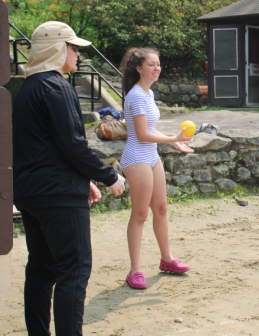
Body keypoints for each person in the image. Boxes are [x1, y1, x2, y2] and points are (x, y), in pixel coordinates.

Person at [12, 21, 126, 335]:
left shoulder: (26, 90)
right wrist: (107, 176)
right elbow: (72, 144)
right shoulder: (56, 86)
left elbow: (42, 146)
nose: (77, 53)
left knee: (41, 269)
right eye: (73, 46)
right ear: (56, 49)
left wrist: (82, 179)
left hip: (31, 193)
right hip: (58, 196)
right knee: (73, 273)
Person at [120, 47, 194, 289]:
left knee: (160, 209)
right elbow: (141, 135)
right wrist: (173, 138)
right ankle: (135, 271)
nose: (157, 68)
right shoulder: (136, 95)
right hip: (136, 157)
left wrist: (177, 141)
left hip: (151, 156)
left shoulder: (147, 94)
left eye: (158, 64)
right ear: (139, 68)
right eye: (151, 64)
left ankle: (167, 259)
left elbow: (150, 131)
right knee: (140, 215)